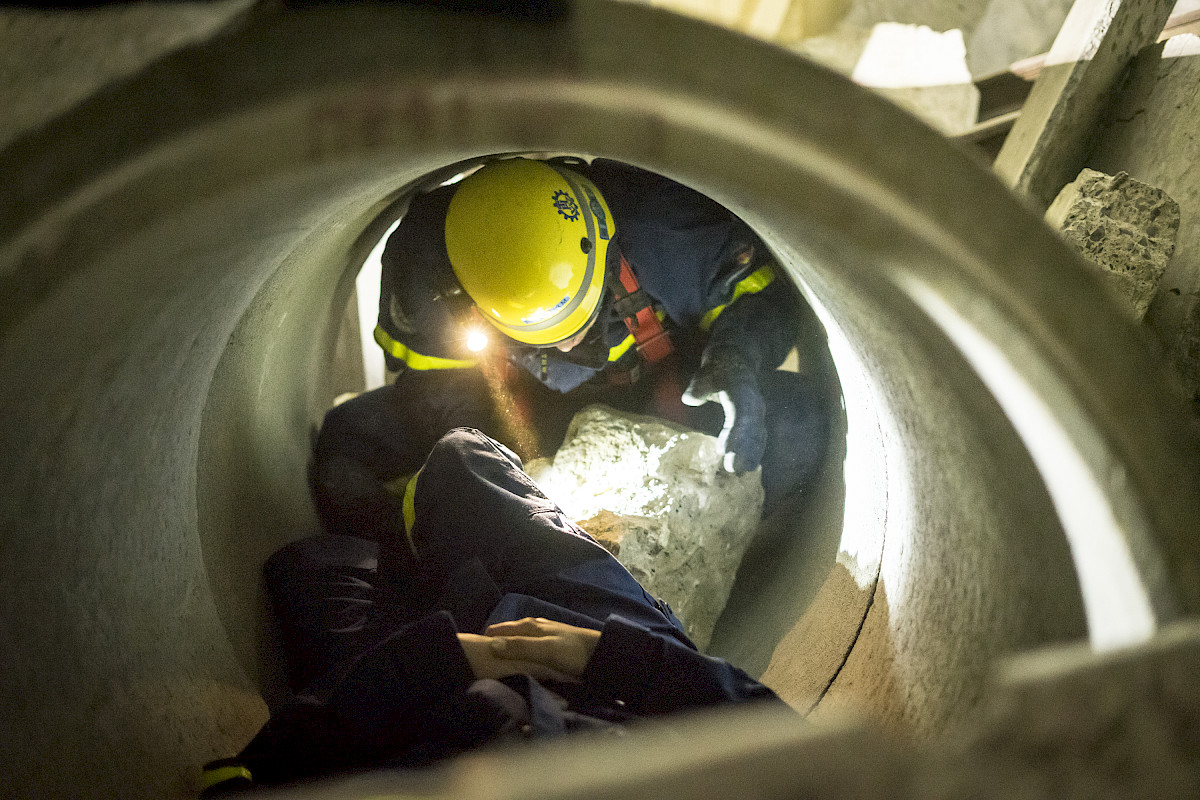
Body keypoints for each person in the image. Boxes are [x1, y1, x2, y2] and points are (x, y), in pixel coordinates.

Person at [201, 428, 788, 796]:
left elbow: (279, 762)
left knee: (307, 571)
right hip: (617, 686)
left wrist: (448, 658)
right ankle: (425, 546)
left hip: (442, 704)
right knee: (462, 461)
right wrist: (600, 654)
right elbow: (765, 726)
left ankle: (407, 552)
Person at [327, 155, 828, 521]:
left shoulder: (661, 224)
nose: (568, 347)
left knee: (798, 423)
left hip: (661, 401)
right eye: (543, 335)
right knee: (347, 448)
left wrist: (736, 357)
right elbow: (426, 384)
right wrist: (491, 461)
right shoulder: (427, 278)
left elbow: (764, 294)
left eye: (580, 322)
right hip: (522, 414)